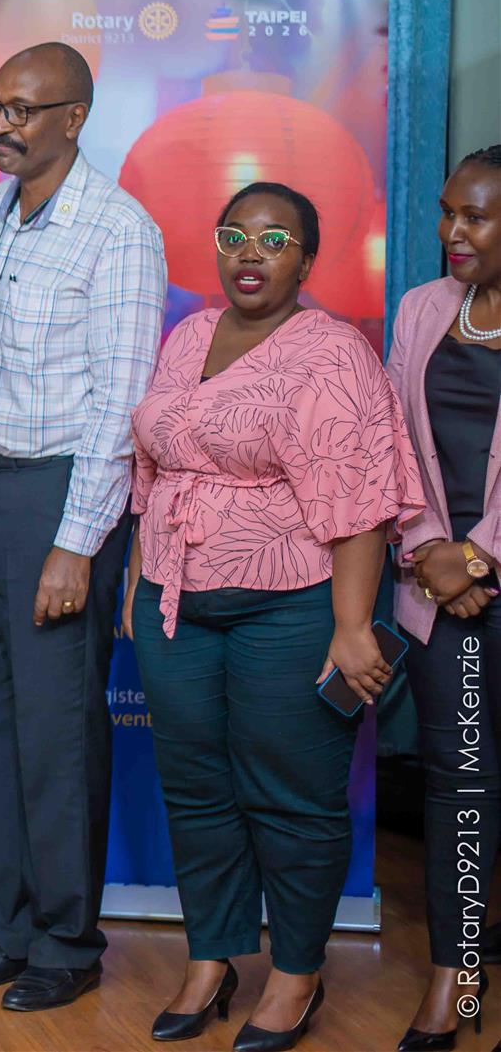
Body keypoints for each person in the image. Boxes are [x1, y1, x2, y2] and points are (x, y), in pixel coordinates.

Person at [126, 182, 420, 1051]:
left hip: (290, 607)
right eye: (234, 235)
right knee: (195, 788)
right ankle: (210, 958)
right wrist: (140, 576)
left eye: (274, 238)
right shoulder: (188, 335)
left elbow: (360, 500)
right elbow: (154, 466)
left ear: (307, 258)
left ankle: (296, 973)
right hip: (174, 601)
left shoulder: (333, 353)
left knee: (292, 794)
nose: (250, 252)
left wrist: (352, 626)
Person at [0, 42, 166, 1011]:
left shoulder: (118, 230)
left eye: (24, 109)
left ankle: (67, 945)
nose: (3, 123)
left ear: (75, 118)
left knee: (57, 732)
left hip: (56, 502)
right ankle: (11, 929)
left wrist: (77, 543)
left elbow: (120, 404)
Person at [388, 145, 501, 1051]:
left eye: (476, 216)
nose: (452, 231)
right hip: (441, 593)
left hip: (480, 570)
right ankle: (454, 974)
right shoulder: (423, 307)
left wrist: (479, 553)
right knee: (458, 775)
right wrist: (432, 550)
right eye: (447, 211)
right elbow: (393, 439)